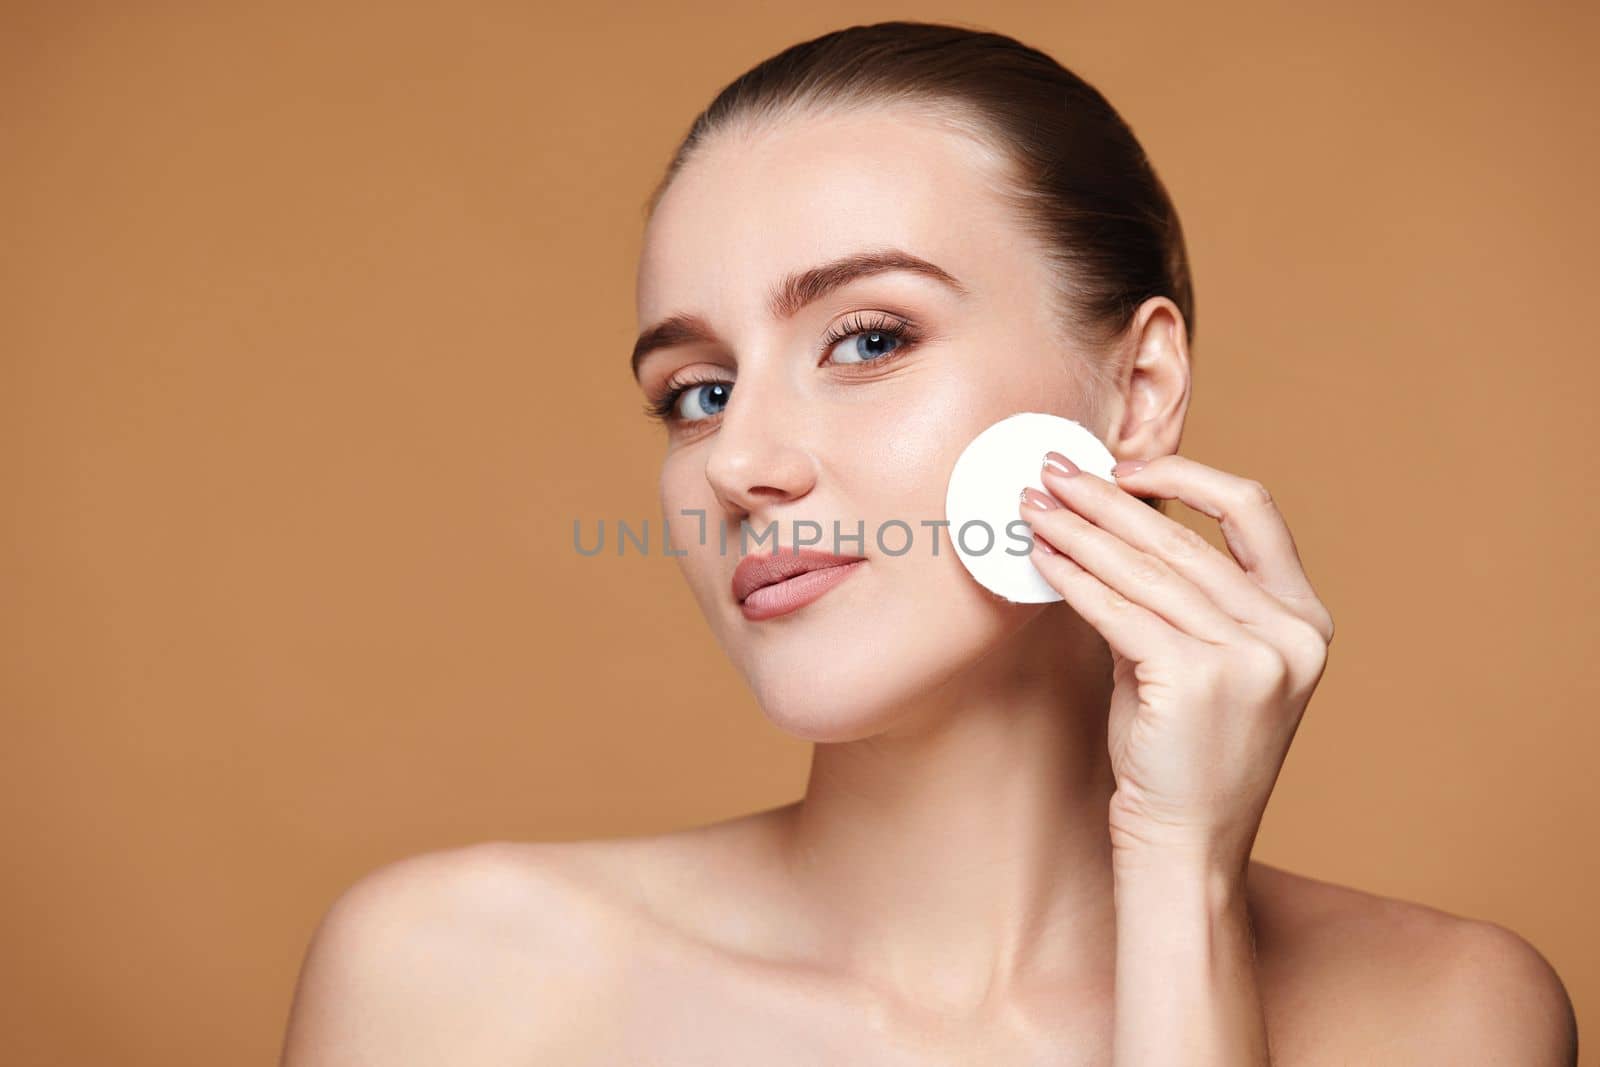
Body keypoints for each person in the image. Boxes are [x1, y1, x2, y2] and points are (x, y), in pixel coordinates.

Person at [279, 21, 1577, 1064]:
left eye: (868, 339)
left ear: (1134, 394)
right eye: (698, 390)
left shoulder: (1446, 1019)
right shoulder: (458, 985)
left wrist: (1183, 880)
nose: (739, 461)